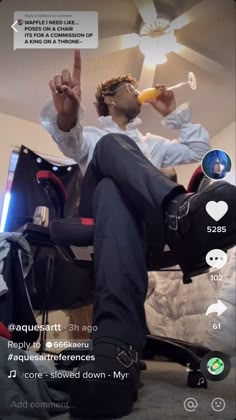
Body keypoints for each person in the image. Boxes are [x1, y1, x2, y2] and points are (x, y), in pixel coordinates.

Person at [40, 50, 236, 418]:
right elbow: (70, 141)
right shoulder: (95, 136)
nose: (138, 92)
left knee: (123, 185)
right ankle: (180, 213)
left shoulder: (154, 141)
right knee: (113, 168)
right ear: (111, 99)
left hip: (151, 230)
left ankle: (115, 350)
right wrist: (66, 117)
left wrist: (173, 114)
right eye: (130, 87)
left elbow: (200, 150)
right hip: (103, 222)